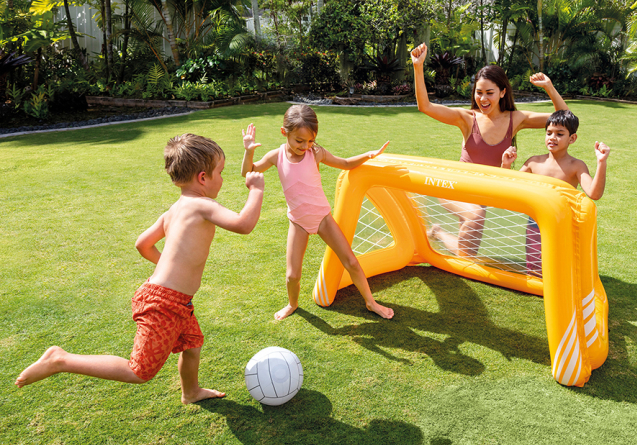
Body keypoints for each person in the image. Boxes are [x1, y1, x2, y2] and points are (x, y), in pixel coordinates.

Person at [15, 134, 265, 404]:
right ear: (203, 177)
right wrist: (256, 190)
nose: (223, 179)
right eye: (221, 173)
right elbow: (243, 225)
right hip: (165, 304)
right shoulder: (203, 205)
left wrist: (171, 265)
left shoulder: (173, 211)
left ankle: (191, 392)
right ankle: (60, 360)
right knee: (138, 371)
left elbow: (142, 244)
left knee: (192, 345)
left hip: (172, 299)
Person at [411, 42, 569, 257]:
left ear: (502, 92)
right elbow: (425, 106)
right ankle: (442, 235)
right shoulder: (467, 118)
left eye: (489, 93)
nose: (483, 99)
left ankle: (437, 232)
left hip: (482, 194)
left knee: (468, 254)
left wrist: (549, 87)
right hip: (455, 187)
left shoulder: (516, 119)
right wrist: (418, 66)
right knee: (475, 217)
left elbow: (565, 119)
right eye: (479, 92)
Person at [241, 104, 394, 321]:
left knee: (351, 262)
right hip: (298, 222)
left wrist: (368, 155)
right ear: (284, 132)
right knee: (292, 275)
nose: (305, 146)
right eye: (299, 141)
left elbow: (345, 163)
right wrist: (249, 151)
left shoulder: (316, 153)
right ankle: (292, 304)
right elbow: (248, 172)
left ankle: (371, 302)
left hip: (323, 219)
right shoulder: (276, 156)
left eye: (311, 141)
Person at [501, 110, 610, 275]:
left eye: (559, 134)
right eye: (549, 133)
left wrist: (601, 162)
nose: (552, 137)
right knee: (535, 267)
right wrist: (506, 165)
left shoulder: (576, 166)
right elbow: (508, 187)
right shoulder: (534, 163)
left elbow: (594, 193)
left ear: (572, 138)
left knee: (560, 266)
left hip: (563, 224)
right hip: (535, 224)